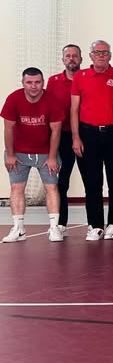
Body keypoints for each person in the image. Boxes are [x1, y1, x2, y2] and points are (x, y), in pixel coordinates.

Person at [70, 40, 113, 241]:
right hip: (88, 135)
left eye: (105, 52)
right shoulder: (80, 76)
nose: (101, 55)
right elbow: (74, 109)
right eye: (97, 52)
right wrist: (76, 137)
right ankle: (95, 225)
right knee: (92, 183)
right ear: (90, 56)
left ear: (110, 55)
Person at [1, 68, 64, 242]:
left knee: (51, 187)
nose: (33, 86)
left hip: (45, 152)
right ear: (23, 83)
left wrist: (52, 157)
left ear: (43, 83)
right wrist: (10, 155)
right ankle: (18, 228)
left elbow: (56, 131)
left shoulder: (52, 101)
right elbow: (8, 129)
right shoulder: (13, 99)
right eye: (29, 82)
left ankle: (54, 228)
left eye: (37, 82)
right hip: (19, 153)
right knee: (16, 188)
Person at [46, 44, 81, 237]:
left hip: (85, 135)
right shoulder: (54, 81)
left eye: (75, 56)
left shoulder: (86, 78)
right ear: (63, 60)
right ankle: (60, 224)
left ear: (81, 59)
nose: (71, 59)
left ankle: (96, 225)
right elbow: (48, 107)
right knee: (62, 181)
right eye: (68, 56)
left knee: (92, 181)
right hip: (62, 136)